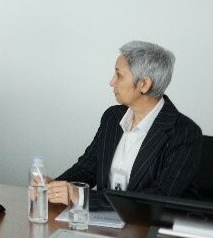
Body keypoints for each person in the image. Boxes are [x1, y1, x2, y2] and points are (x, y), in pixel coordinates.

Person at [47, 41, 201, 204]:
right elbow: (87, 168)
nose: (112, 82)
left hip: (149, 227)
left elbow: (159, 198)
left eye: (119, 75)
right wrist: (53, 187)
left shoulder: (185, 133)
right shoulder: (112, 117)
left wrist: (82, 197)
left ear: (144, 84)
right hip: (103, 223)